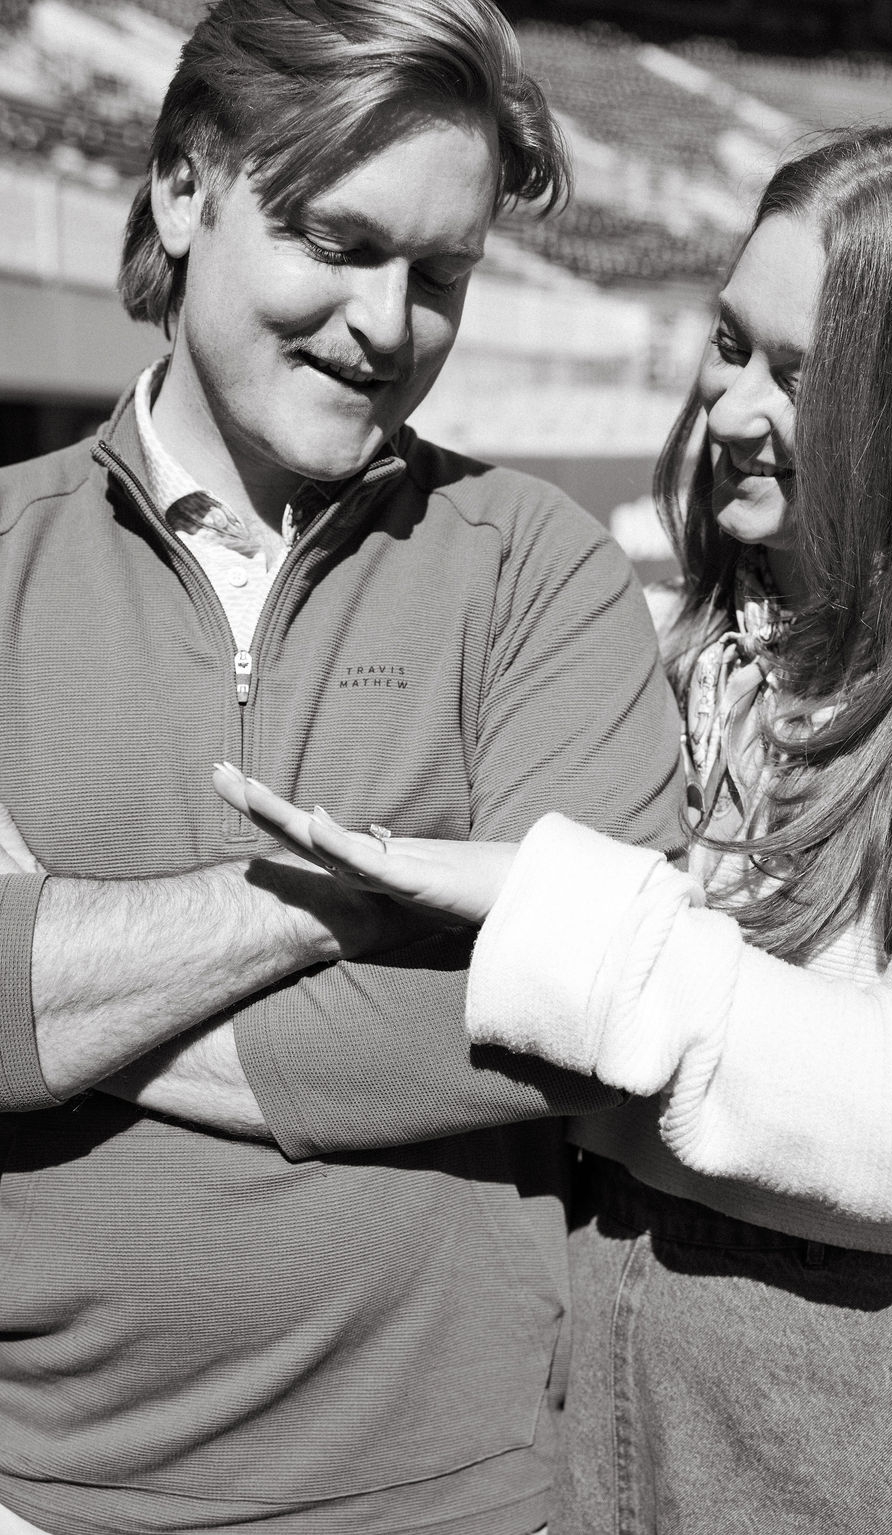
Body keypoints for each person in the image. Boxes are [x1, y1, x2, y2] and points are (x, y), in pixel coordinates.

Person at [229, 125, 892, 1534]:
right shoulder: (658, 646)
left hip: (859, 1411)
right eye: (729, 344)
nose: (732, 407)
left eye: (803, 377)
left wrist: (554, 919)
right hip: (590, 1359)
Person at [0, 2, 687, 1531]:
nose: (386, 325)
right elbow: (484, 988)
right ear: (184, 189)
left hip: (456, 1497)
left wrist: (52, 992)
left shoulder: (540, 571)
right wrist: (357, 898)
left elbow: (584, 1017)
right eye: (340, 242)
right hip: (36, 1491)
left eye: (440, 277)